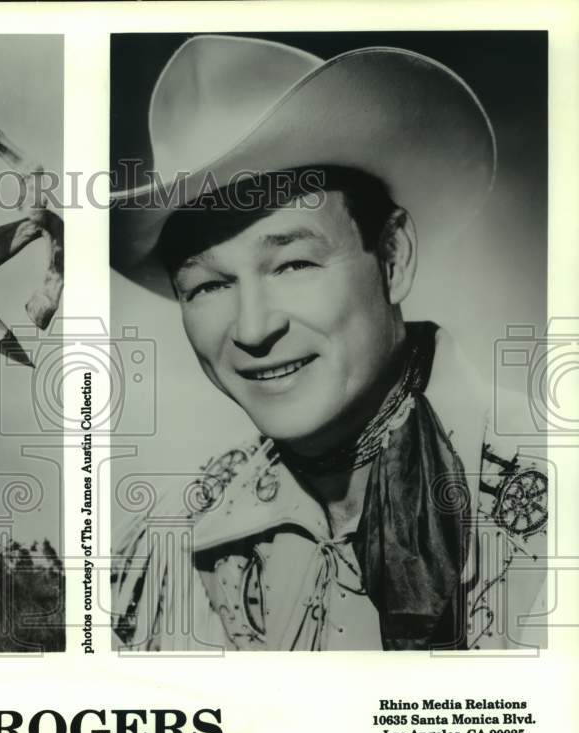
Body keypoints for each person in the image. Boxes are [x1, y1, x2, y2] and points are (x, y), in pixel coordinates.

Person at [110, 36, 548, 652]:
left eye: (292, 264)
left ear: (392, 257)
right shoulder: (167, 552)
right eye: (208, 285)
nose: (254, 329)